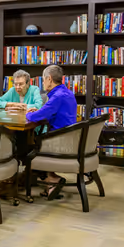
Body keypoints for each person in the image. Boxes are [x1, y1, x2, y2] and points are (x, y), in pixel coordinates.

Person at [25, 65, 77, 196]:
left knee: (27, 145)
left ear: (49, 79)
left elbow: (36, 117)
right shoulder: (67, 93)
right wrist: (40, 112)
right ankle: (50, 179)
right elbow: (49, 112)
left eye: (43, 80)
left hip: (59, 141)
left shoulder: (57, 96)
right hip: (69, 138)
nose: (43, 83)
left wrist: (28, 113)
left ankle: (50, 179)